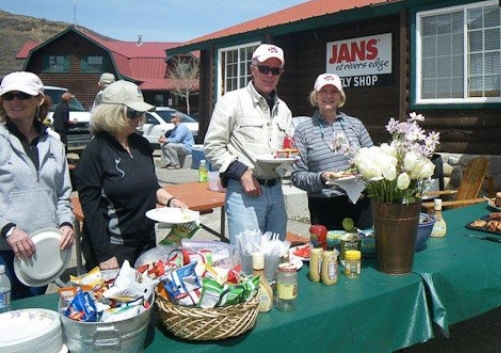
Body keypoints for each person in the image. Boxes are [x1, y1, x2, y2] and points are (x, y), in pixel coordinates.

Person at [73, 80, 187, 271]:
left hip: (146, 242)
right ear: (111, 112)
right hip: (114, 248)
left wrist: (172, 200)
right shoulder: (95, 152)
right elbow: (91, 211)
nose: (137, 119)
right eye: (132, 113)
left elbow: (150, 186)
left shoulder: (141, 144)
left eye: (140, 113)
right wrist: (105, 255)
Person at [204, 44, 293, 244]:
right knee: (248, 261)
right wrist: (241, 172)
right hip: (244, 193)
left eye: (275, 70)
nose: (269, 75)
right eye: (263, 68)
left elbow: (286, 150)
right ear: (252, 69)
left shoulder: (284, 110)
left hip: (276, 191)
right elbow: (212, 146)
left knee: (276, 256)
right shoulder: (232, 101)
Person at [0, 71, 75, 299]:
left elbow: (62, 193)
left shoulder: (53, 143)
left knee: (33, 316)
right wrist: (8, 229)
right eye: (8, 96)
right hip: (4, 250)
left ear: (39, 99)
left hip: (44, 250)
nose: (15, 101)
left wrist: (66, 223)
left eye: (22, 95)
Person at [291, 73, 374, 230]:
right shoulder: (302, 130)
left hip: (360, 201)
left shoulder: (355, 124)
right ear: (316, 96)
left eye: (334, 91)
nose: (329, 96)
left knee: (362, 252)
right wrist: (322, 177)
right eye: (323, 91)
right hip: (324, 205)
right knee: (328, 253)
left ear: (340, 97)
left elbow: (374, 160)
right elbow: (297, 176)